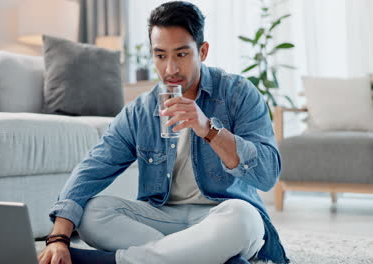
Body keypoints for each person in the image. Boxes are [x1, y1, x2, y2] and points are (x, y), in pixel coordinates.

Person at [38, 1, 289, 264]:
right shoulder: (141, 111)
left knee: (244, 218)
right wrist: (59, 238)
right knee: (91, 213)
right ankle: (209, 257)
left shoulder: (238, 94)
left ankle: (111, 261)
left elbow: (267, 174)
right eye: (160, 55)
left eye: (181, 54)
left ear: (202, 51)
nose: (170, 69)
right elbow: (92, 168)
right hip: (162, 218)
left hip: (220, 217)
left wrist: (209, 129)